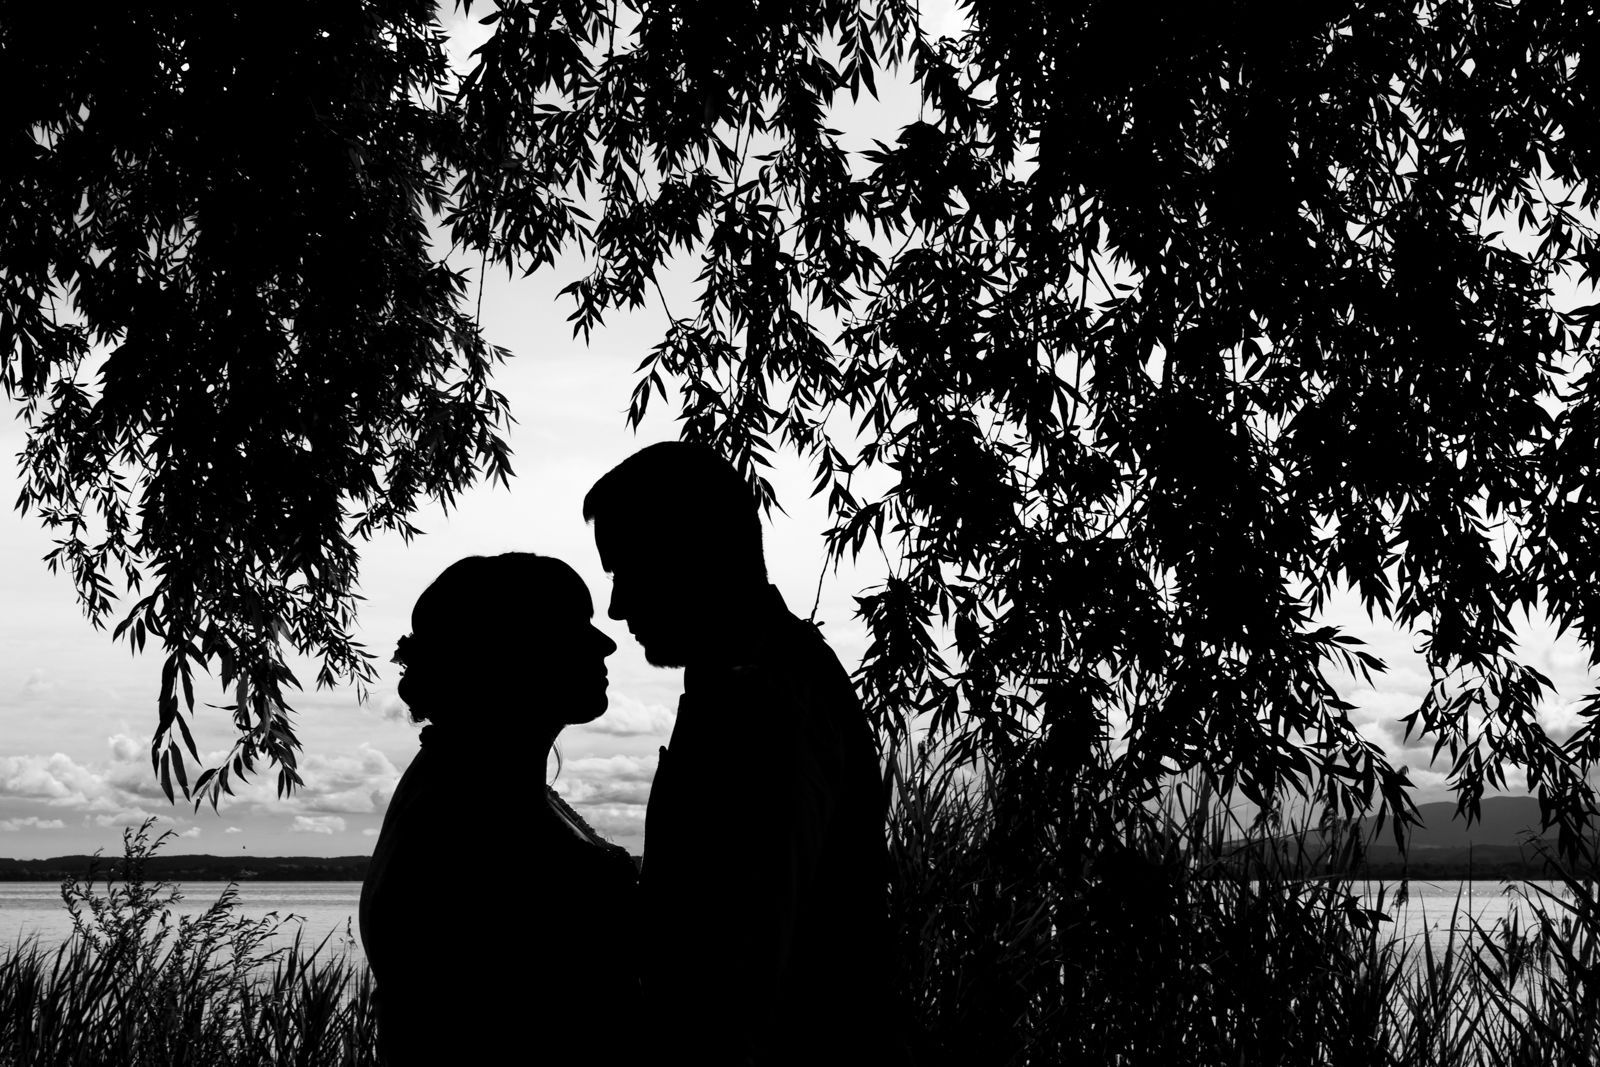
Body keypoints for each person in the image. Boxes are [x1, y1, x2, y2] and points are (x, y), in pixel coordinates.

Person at [584, 442, 894, 1066]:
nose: (616, 608)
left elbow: (741, 981)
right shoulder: (745, 682)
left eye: (625, 571)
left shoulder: (764, 704)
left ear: (691, 556)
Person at [359, 553, 640, 1066]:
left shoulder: (477, 780)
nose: (607, 642)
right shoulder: (468, 815)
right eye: (576, 627)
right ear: (513, 651)